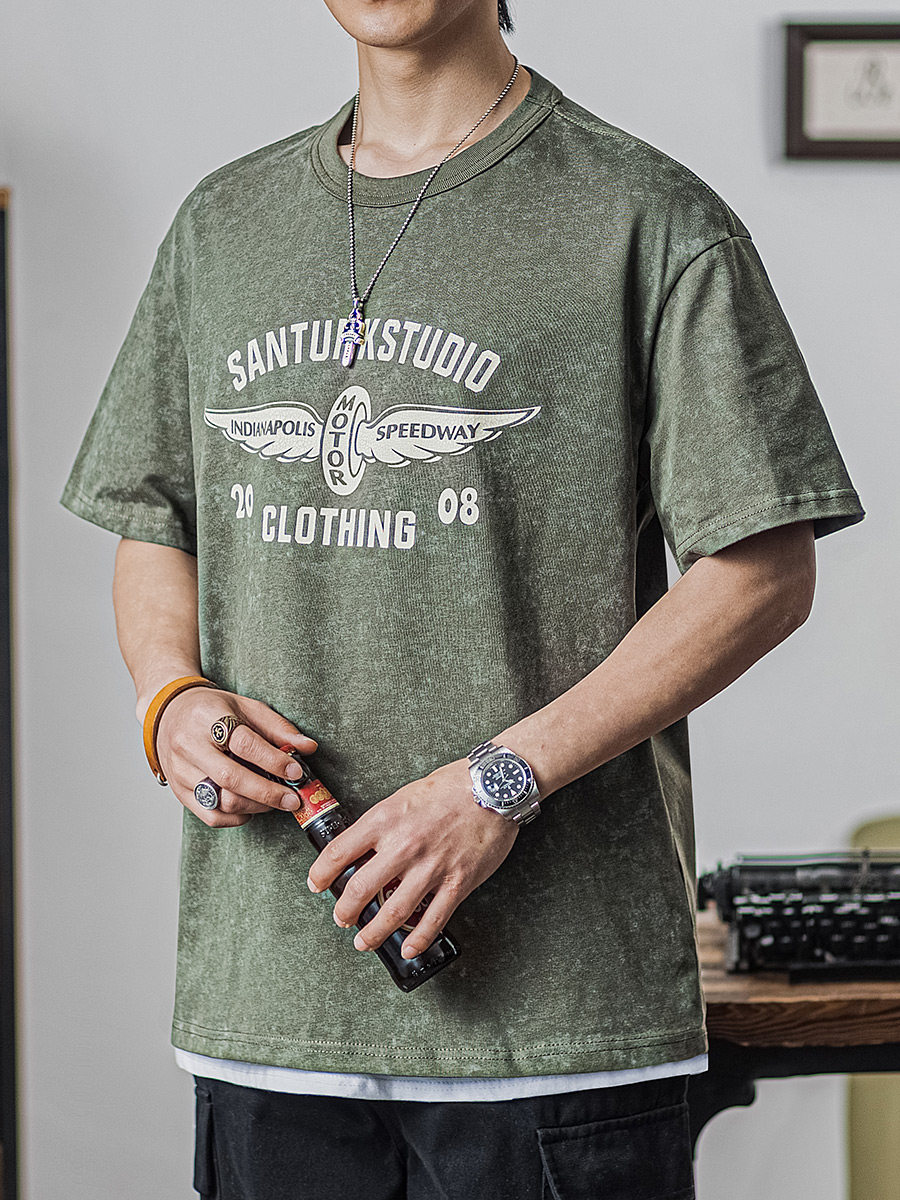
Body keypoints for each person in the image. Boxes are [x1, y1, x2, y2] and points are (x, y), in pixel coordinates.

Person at [61, 0, 866, 1196]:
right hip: (270, 1010)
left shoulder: (648, 218)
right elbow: (154, 519)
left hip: (554, 1027)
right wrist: (167, 696)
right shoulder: (221, 226)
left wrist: (502, 781)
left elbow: (763, 571)